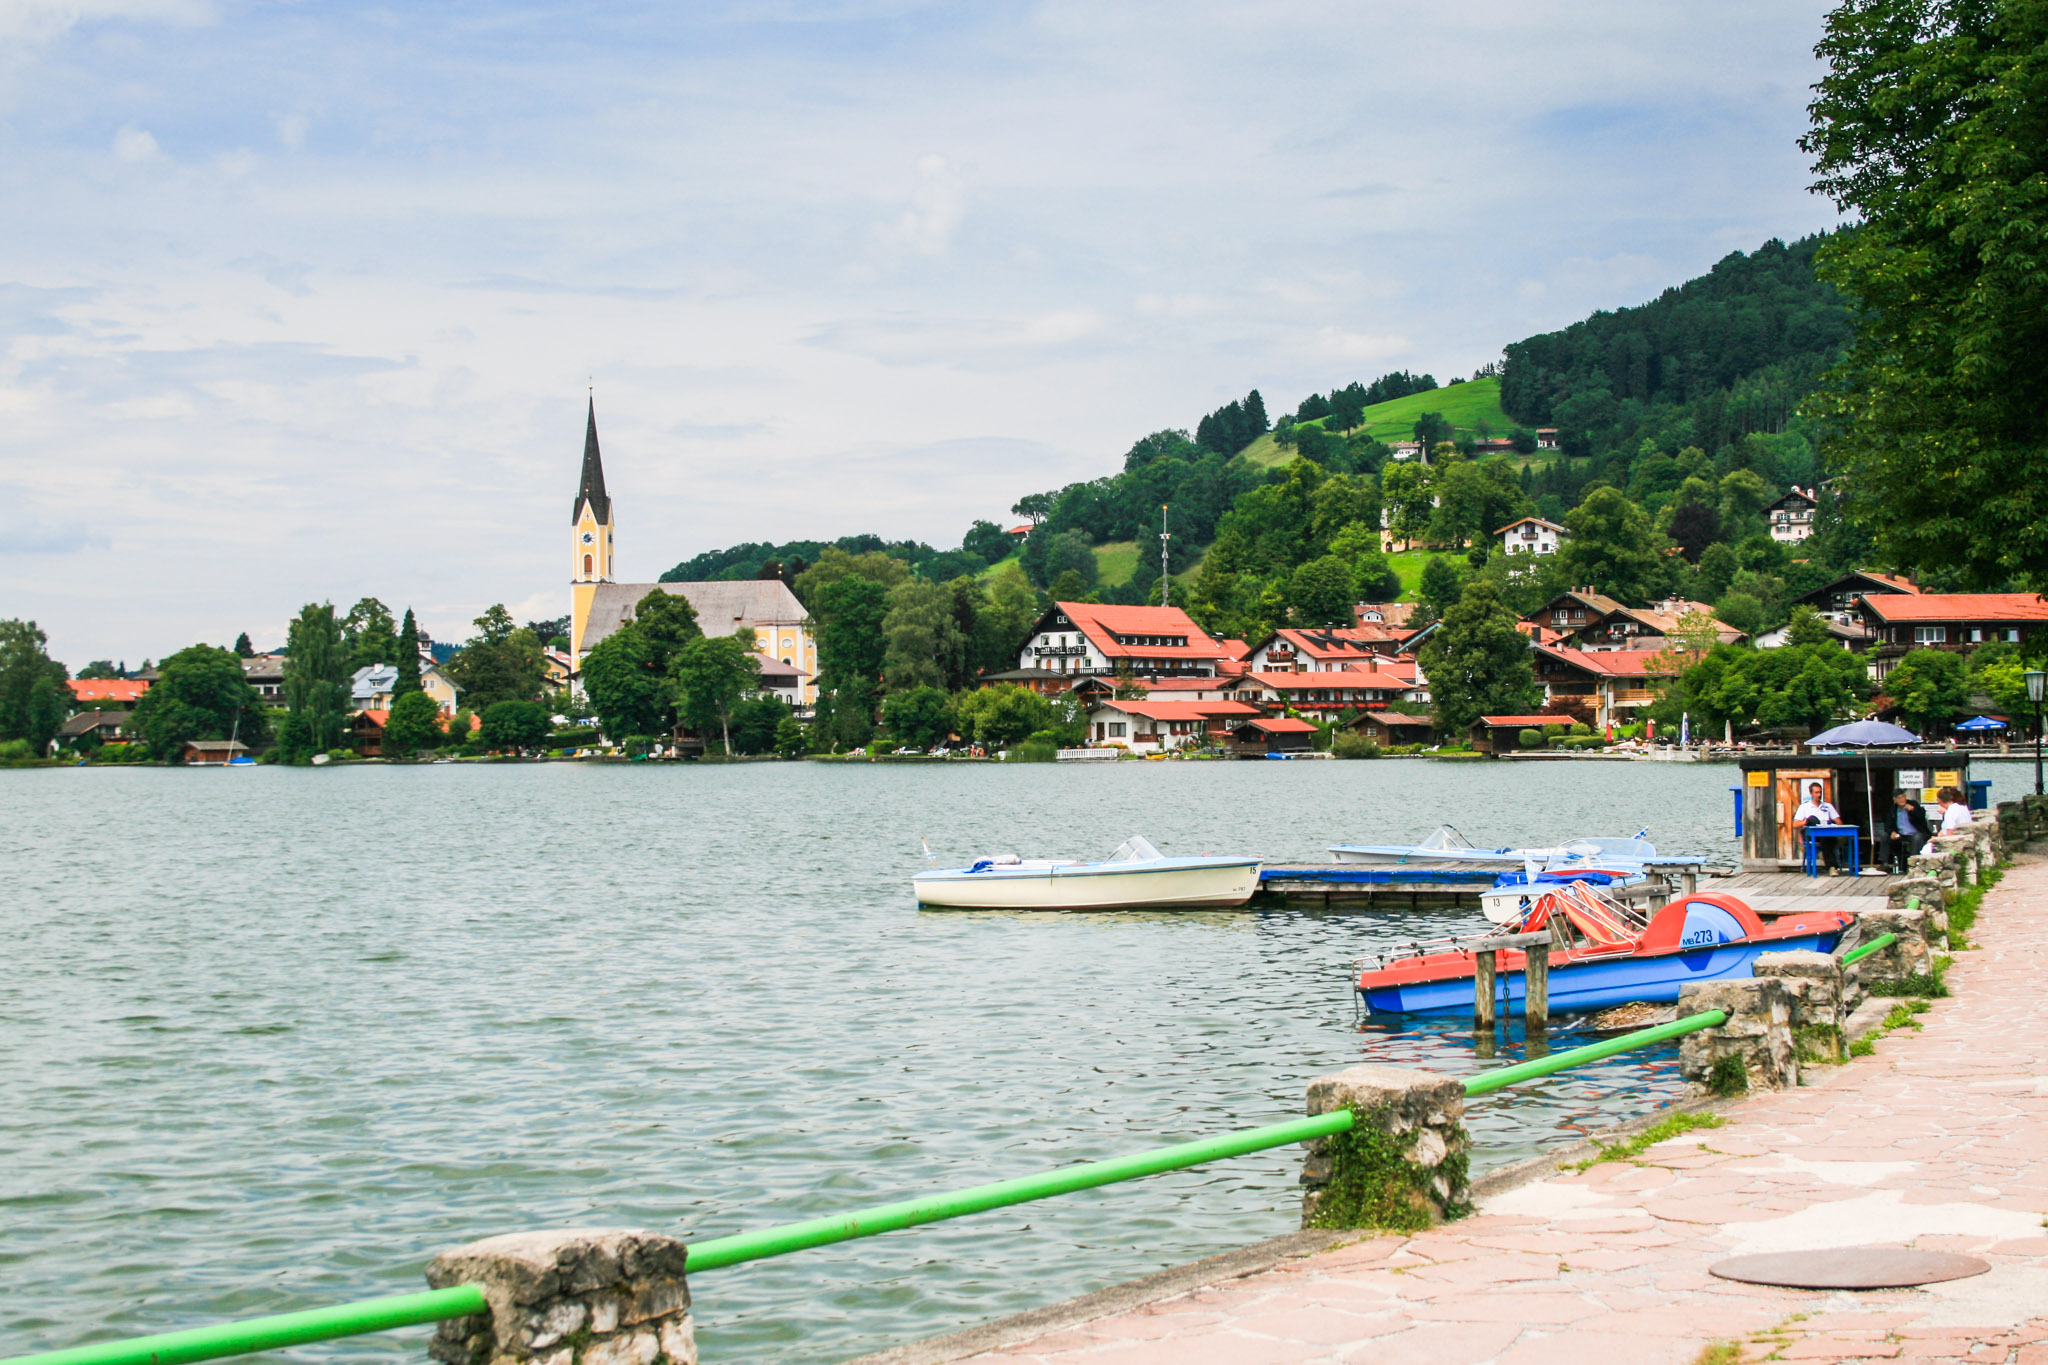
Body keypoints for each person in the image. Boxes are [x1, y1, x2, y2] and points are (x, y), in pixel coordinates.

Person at [1793, 780, 1846, 872]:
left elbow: (1839, 822)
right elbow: (1795, 824)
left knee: (1826, 839)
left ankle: (1831, 867)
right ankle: (1832, 867)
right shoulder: (1804, 807)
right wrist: (1806, 822)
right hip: (1811, 834)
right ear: (1811, 793)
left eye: (1820, 792)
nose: (1819, 795)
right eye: (1816, 792)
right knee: (1812, 819)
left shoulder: (1828, 806)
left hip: (1826, 833)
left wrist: (1831, 823)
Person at [1888, 789, 1932, 873]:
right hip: (1901, 834)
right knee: (1885, 837)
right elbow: (1888, 824)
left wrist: (1913, 810)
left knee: (1917, 837)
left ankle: (1913, 864)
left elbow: (1922, 816)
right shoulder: (1893, 809)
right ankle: (1885, 863)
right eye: (1899, 798)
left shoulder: (1913, 804)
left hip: (1916, 833)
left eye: (1903, 797)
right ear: (1895, 800)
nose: (1902, 799)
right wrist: (1892, 832)